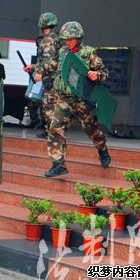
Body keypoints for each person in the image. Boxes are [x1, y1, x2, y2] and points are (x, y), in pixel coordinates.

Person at [45, 21, 111, 177]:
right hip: (64, 100)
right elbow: (50, 66)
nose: (68, 42)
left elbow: (104, 72)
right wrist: (34, 69)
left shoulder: (89, 53)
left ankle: (102, 150)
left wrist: (97, 75)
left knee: (92, 130)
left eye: (71, 39)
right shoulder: (62, 52)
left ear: (79, 38)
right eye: (65, 39)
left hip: (82, 101)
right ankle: (58, 164)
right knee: (55, 129)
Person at [24, 12, 62, 136]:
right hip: (56, 77)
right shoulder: (57, 38)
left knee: (49, 106)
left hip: (50, 78)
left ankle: (52, 134)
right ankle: (51, 132)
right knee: (50, 105)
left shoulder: (48, 40)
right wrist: (33, 67)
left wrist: (39, 71)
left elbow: (48, 60)